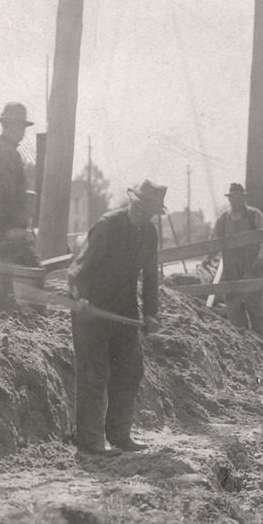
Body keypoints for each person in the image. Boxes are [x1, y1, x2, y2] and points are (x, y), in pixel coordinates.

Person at [67, 180, 166, 457]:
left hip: (124, 310)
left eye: (148, 212)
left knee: (130, 370)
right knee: (94, 374)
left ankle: (119, 434)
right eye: (138, 207)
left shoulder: (150, 234)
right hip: (92, 308)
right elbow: (76, 270)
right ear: (131, 201)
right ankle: (91, 441)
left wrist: (150, 313)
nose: (141, 214)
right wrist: (79, 297)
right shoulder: (107, 225)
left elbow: (151, 277)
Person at [0, 102, 41, 302]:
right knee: (35, 279)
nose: (21, 132)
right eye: (17, 126)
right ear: (6, 125)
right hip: (1, 233)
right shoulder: (5, 154)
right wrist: (13, 229)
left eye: (23, 127)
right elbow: (1, 197)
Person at [212, 182, 263, 334]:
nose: (235, 200)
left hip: (251, 265)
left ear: (244, 198)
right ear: (229, 199)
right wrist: (207, 259)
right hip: (231, 267)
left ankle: (260, 337)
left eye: (238, 197)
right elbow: (213, 241)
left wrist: (261, 257)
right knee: (233, 303)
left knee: (253, 300)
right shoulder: (223, 218)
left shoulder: (254, 215)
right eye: (232, 198)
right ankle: (241, 337)